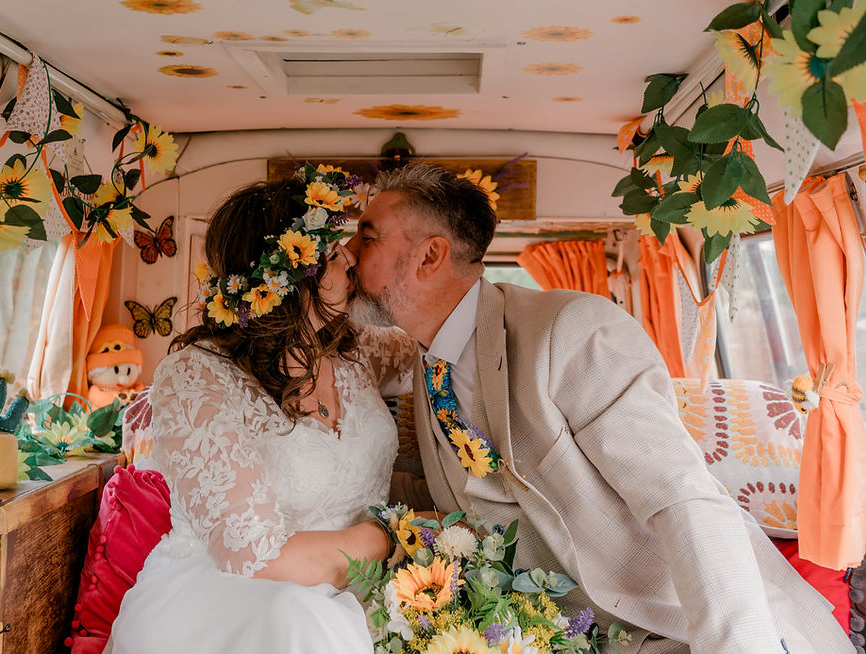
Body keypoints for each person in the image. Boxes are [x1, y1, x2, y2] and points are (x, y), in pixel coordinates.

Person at [345, 162, 854, 654]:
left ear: (430, 257)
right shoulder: (426, 365)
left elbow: (684, 500)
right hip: (562, 635)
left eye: (366, 237)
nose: (346, 254)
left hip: (685, 627)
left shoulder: (570, 331)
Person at [106, 166, 417, 653]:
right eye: (335, 254)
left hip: (362, 594)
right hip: (240, 603)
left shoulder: (361, 351)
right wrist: (395, 535)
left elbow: (440, 340)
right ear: (293, 275)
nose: (352, 262)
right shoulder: (196, 376)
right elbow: (254, 556)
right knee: (295, 620)